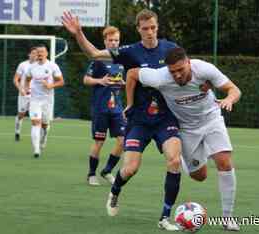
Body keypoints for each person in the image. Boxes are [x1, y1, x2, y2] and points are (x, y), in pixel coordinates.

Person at [62, 9, 182, 230]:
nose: (150, 32)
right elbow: (95, 54)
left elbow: (186, 72)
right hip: (139, 121)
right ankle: (115, 191)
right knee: (130, 169)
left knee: (174, 160)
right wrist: (78, 33)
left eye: (153, 27)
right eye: (145, 28)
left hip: (166, 118)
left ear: (158, 26)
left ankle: (165, 217)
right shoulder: (129, 52)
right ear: (138, 29)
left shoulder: (171, 49)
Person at [125, 47, 241, 231]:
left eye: (181, 70)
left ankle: (228, 218)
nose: (177, 75)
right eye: (173, 72)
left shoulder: (204, 69)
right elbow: (131, 74)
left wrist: (229, 99)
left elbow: (234, 89)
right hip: (186, 129)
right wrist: (130, 103)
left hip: (212, 119)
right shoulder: (159, 77)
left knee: (224, 162)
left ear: (189, 63)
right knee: (199, 176)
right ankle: (190, 161)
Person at [83, 26, 126, 186]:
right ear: (105, 41)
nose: (114, 43)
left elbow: (125, 81)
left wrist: (123, 84)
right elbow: (86, 80)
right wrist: (99, 81)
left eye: (116, 40)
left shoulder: (122, 59)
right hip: (101, 108)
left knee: (123, 141)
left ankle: (107, 170)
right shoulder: (98, 59)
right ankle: (91, 174)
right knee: (99, 142)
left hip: (117, 108)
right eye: (111, 40)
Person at [26, 45, 64, 158]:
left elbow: (61, 82)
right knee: (35, 122)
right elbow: (27, 80)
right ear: (36, 54)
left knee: (45, 124)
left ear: (47, 53)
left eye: (42, 52)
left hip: (47, 100)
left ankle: (44, 137)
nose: (40, 54)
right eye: (38, 52)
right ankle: (36, 149)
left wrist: (50, 85)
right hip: (35, 100)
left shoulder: (52, 66)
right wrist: (27, 89)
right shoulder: (31, 67)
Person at [13, 47, 37, 141]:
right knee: (21, 115)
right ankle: (17, 132)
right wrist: (21, 89)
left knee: (35, 117)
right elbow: (15, 80)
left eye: (36, 53)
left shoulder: (40, 66)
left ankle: (35, 138)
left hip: (36, 95)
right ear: (29, 54)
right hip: (23, 94)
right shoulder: (23, 65)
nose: (35, 55)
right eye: (33, 53)